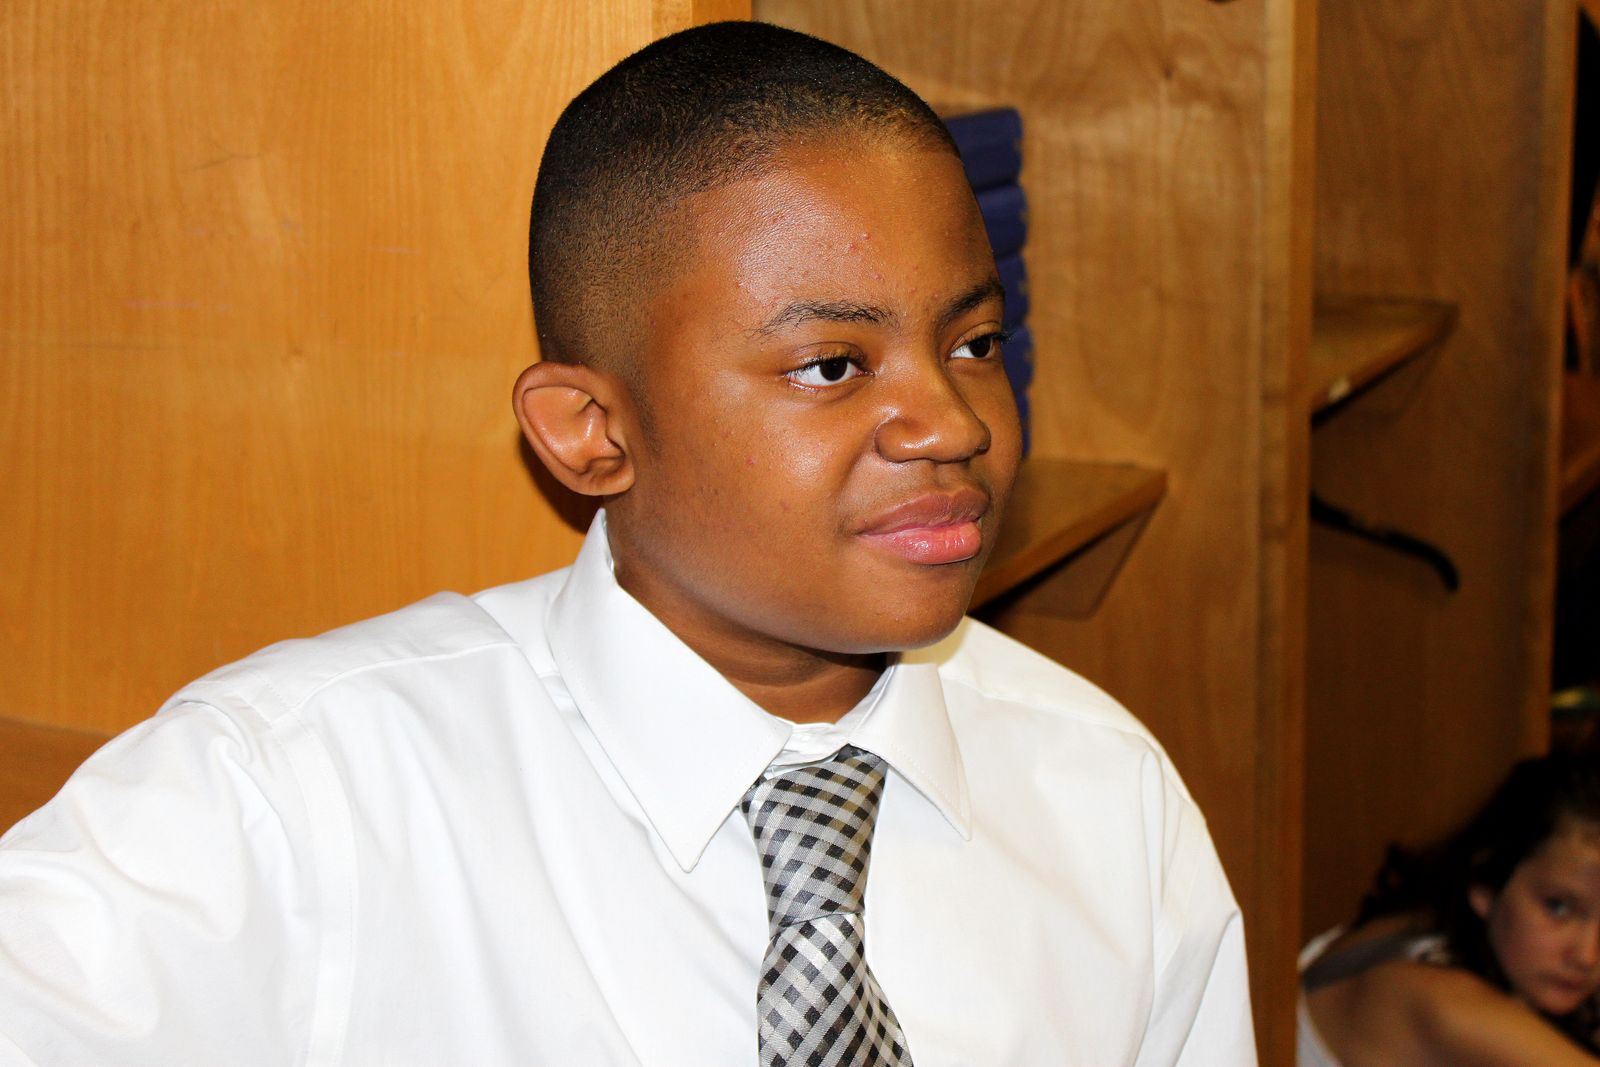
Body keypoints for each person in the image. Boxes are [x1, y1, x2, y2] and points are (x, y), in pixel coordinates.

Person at [0, 21, 1254, 1066]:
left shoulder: (1102, 794)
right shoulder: (287, 799)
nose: (952, 423)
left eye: (972, 344)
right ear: (591, 431)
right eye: (831, 365)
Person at [1299, 753, 1600, 1066]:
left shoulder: (1443, 925)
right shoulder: (1438, 1000)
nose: (1587, 956)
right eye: (1558, 907)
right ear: (1487, 885)